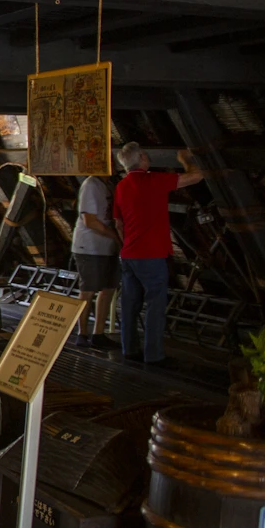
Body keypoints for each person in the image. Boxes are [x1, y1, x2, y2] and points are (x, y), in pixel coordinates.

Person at [112, 143, 203, 366]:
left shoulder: (121, 186)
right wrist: (184, 159)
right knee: (155, 305)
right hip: (151, 255)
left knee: (130, 305)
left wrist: (129, 245)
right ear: (142, 157)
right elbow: (196, 176)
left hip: (128, 254)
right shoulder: (153, 180)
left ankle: (129, 349)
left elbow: (118, 223)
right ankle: (153, 355)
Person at [71, 174, 120, 349]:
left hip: (108, 247)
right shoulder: (91, 184)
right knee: (88, 290)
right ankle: (82, 333)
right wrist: (115, 236)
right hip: (89, 246)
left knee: (108, 289)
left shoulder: (110, 184)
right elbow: (90, 221)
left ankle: (98, 333)